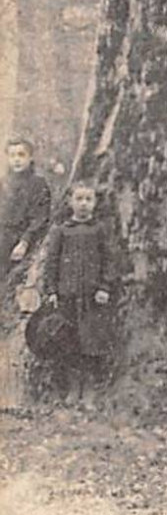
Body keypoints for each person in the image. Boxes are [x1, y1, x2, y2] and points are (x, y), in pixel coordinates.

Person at [42, 180, 116, 405]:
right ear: (70, 201)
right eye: (79, 199)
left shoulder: (100, 229)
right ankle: (73, 389)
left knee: (92, 342)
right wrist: (52, 290)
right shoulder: (61, 230)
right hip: (67, 296)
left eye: (88, 199)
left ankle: (90, 391)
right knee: (70, 342)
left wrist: (105, 286)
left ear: (95, 203)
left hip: (93, 297)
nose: (83, 204)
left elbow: (109, 260)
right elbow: (51, 262)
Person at [0, 136, 51, 411]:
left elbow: (40, 218)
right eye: (12, 155)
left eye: (22, 154)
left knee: (15, 300)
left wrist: (25, 241)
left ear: (31, 157)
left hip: (22, 245)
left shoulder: (38, 185)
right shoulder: (4, 184)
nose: (17, 159)